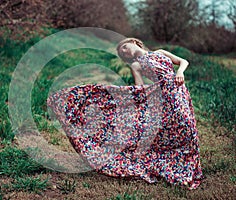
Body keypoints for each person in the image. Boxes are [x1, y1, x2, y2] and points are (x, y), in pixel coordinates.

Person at [47, 37, 205, 190]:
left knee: (186, 124)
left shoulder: (160, 52)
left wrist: (180, 72)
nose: (124, 52)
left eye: (124, 47)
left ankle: (189, 162)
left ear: (134, 42)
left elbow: (184, 61)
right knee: (173, 129)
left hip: (178, 90)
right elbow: (140, 90)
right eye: (122, 54)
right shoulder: (136, 65)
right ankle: (180, 165)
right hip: (162, 95)